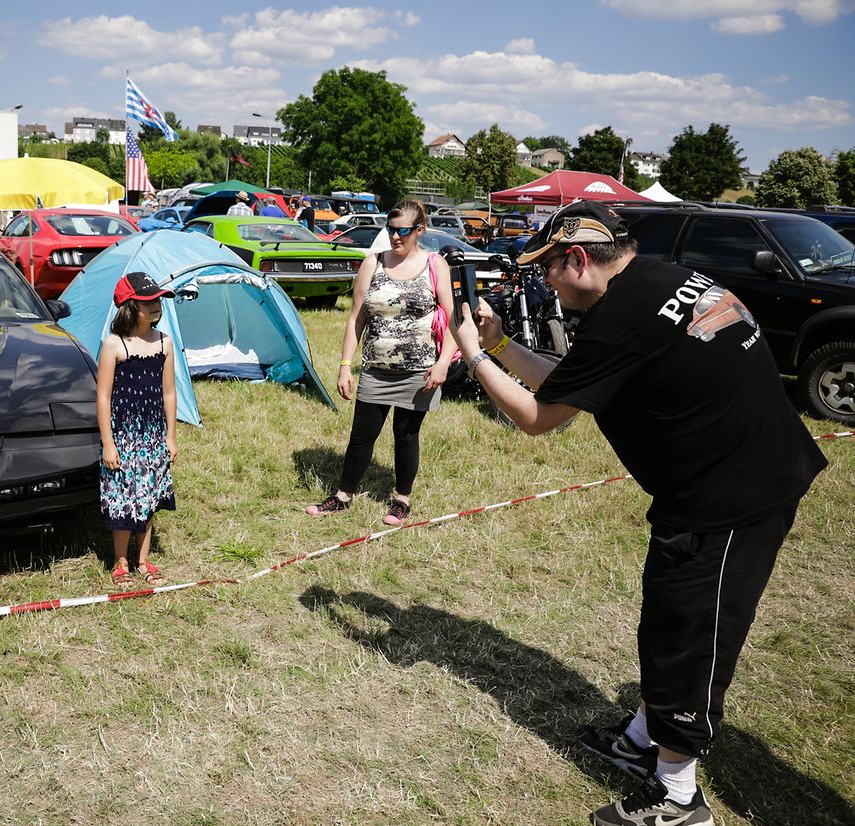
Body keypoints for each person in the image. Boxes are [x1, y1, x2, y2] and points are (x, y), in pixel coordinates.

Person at [449, 200, 828, 826]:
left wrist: (474, 355)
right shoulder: (656, 279)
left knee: (690, 631)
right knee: (667, 618)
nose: (545, 282)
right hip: (732, 476)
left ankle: (679, 797)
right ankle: (640, 742)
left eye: (548, 269)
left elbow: (539, 419)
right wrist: (505, 344)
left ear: (577, 258)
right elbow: (576, 382)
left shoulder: (622, 312)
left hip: (731, 495)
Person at [305, 199, 458, 525]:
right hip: (375, 370)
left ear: (420, 230)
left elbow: (455, 319)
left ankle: (402, 500)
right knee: (361, 436)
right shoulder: (372, 263)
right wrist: (345, 365)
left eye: (403, 231)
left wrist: (443, 363)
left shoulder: (435, 264)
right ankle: (343, 496)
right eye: (391, 229)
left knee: (406, 436)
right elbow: (355, 319)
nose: (395, 237)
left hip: (419, 373)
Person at [96, 271, 180, 591]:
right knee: (123, 499)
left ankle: (143, 559)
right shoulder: (114, 345)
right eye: (148, 301)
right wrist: (108, 443)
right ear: (130, 307)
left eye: (158, 299)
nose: (156, 305)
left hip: (152, 436)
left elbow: (169, 392)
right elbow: (103, 396)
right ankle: (121, 561)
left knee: (147, 498)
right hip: (122, 436)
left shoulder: (164, 343)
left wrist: (170, 435)